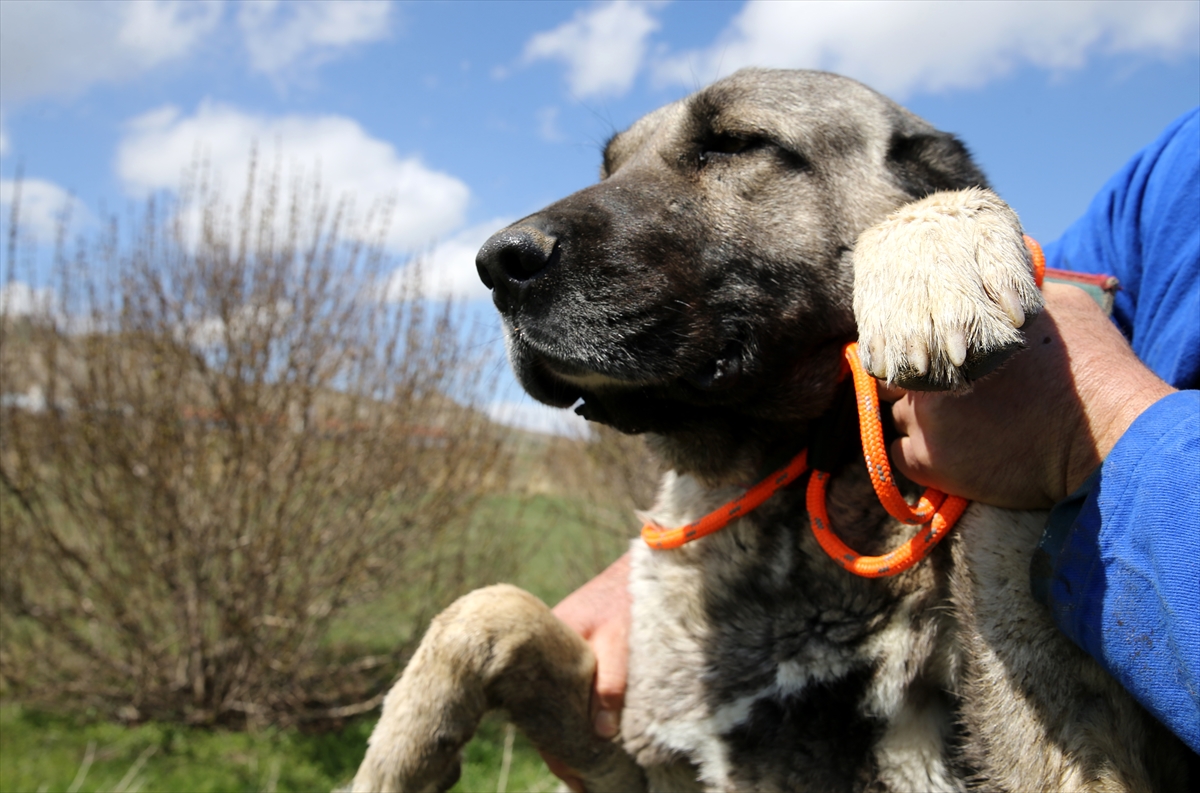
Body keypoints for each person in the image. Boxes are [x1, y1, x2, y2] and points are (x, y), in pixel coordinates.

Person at [546, 109, 1200, 788]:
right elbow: (1030, 290)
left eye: (731, 146)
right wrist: (676, 557)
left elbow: (1039, 362)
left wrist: (1100, 421)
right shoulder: (1168, 178)